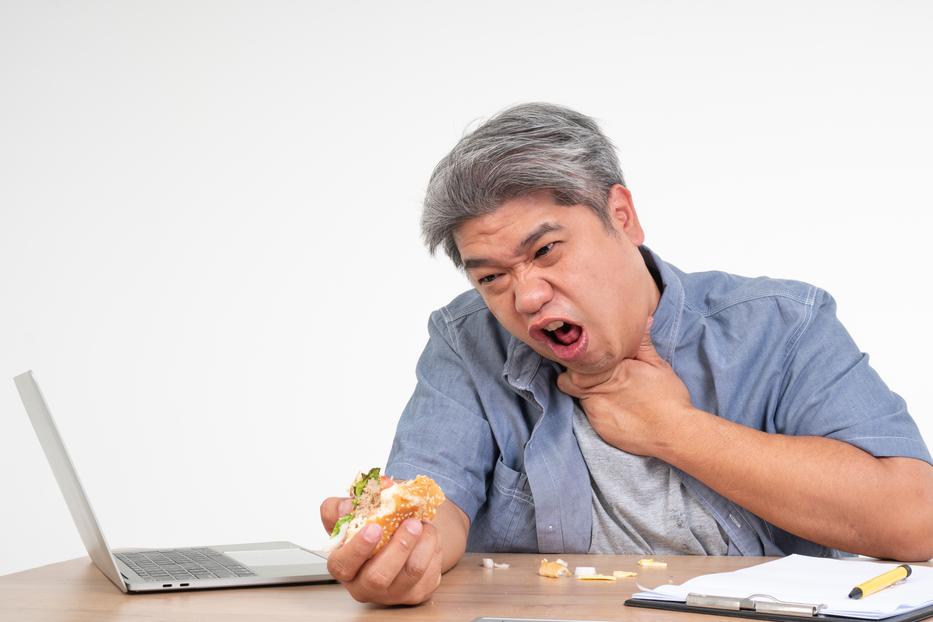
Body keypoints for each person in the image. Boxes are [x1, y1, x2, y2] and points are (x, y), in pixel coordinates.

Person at [319, 103, 933, 605]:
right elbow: (438, 498)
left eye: (547, 251)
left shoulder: (782, 326)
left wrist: (674, 429)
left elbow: (914, 518)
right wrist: (406, 552)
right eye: (490, 278)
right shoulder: (466, 341)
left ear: (622, 215)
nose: (527, 297)